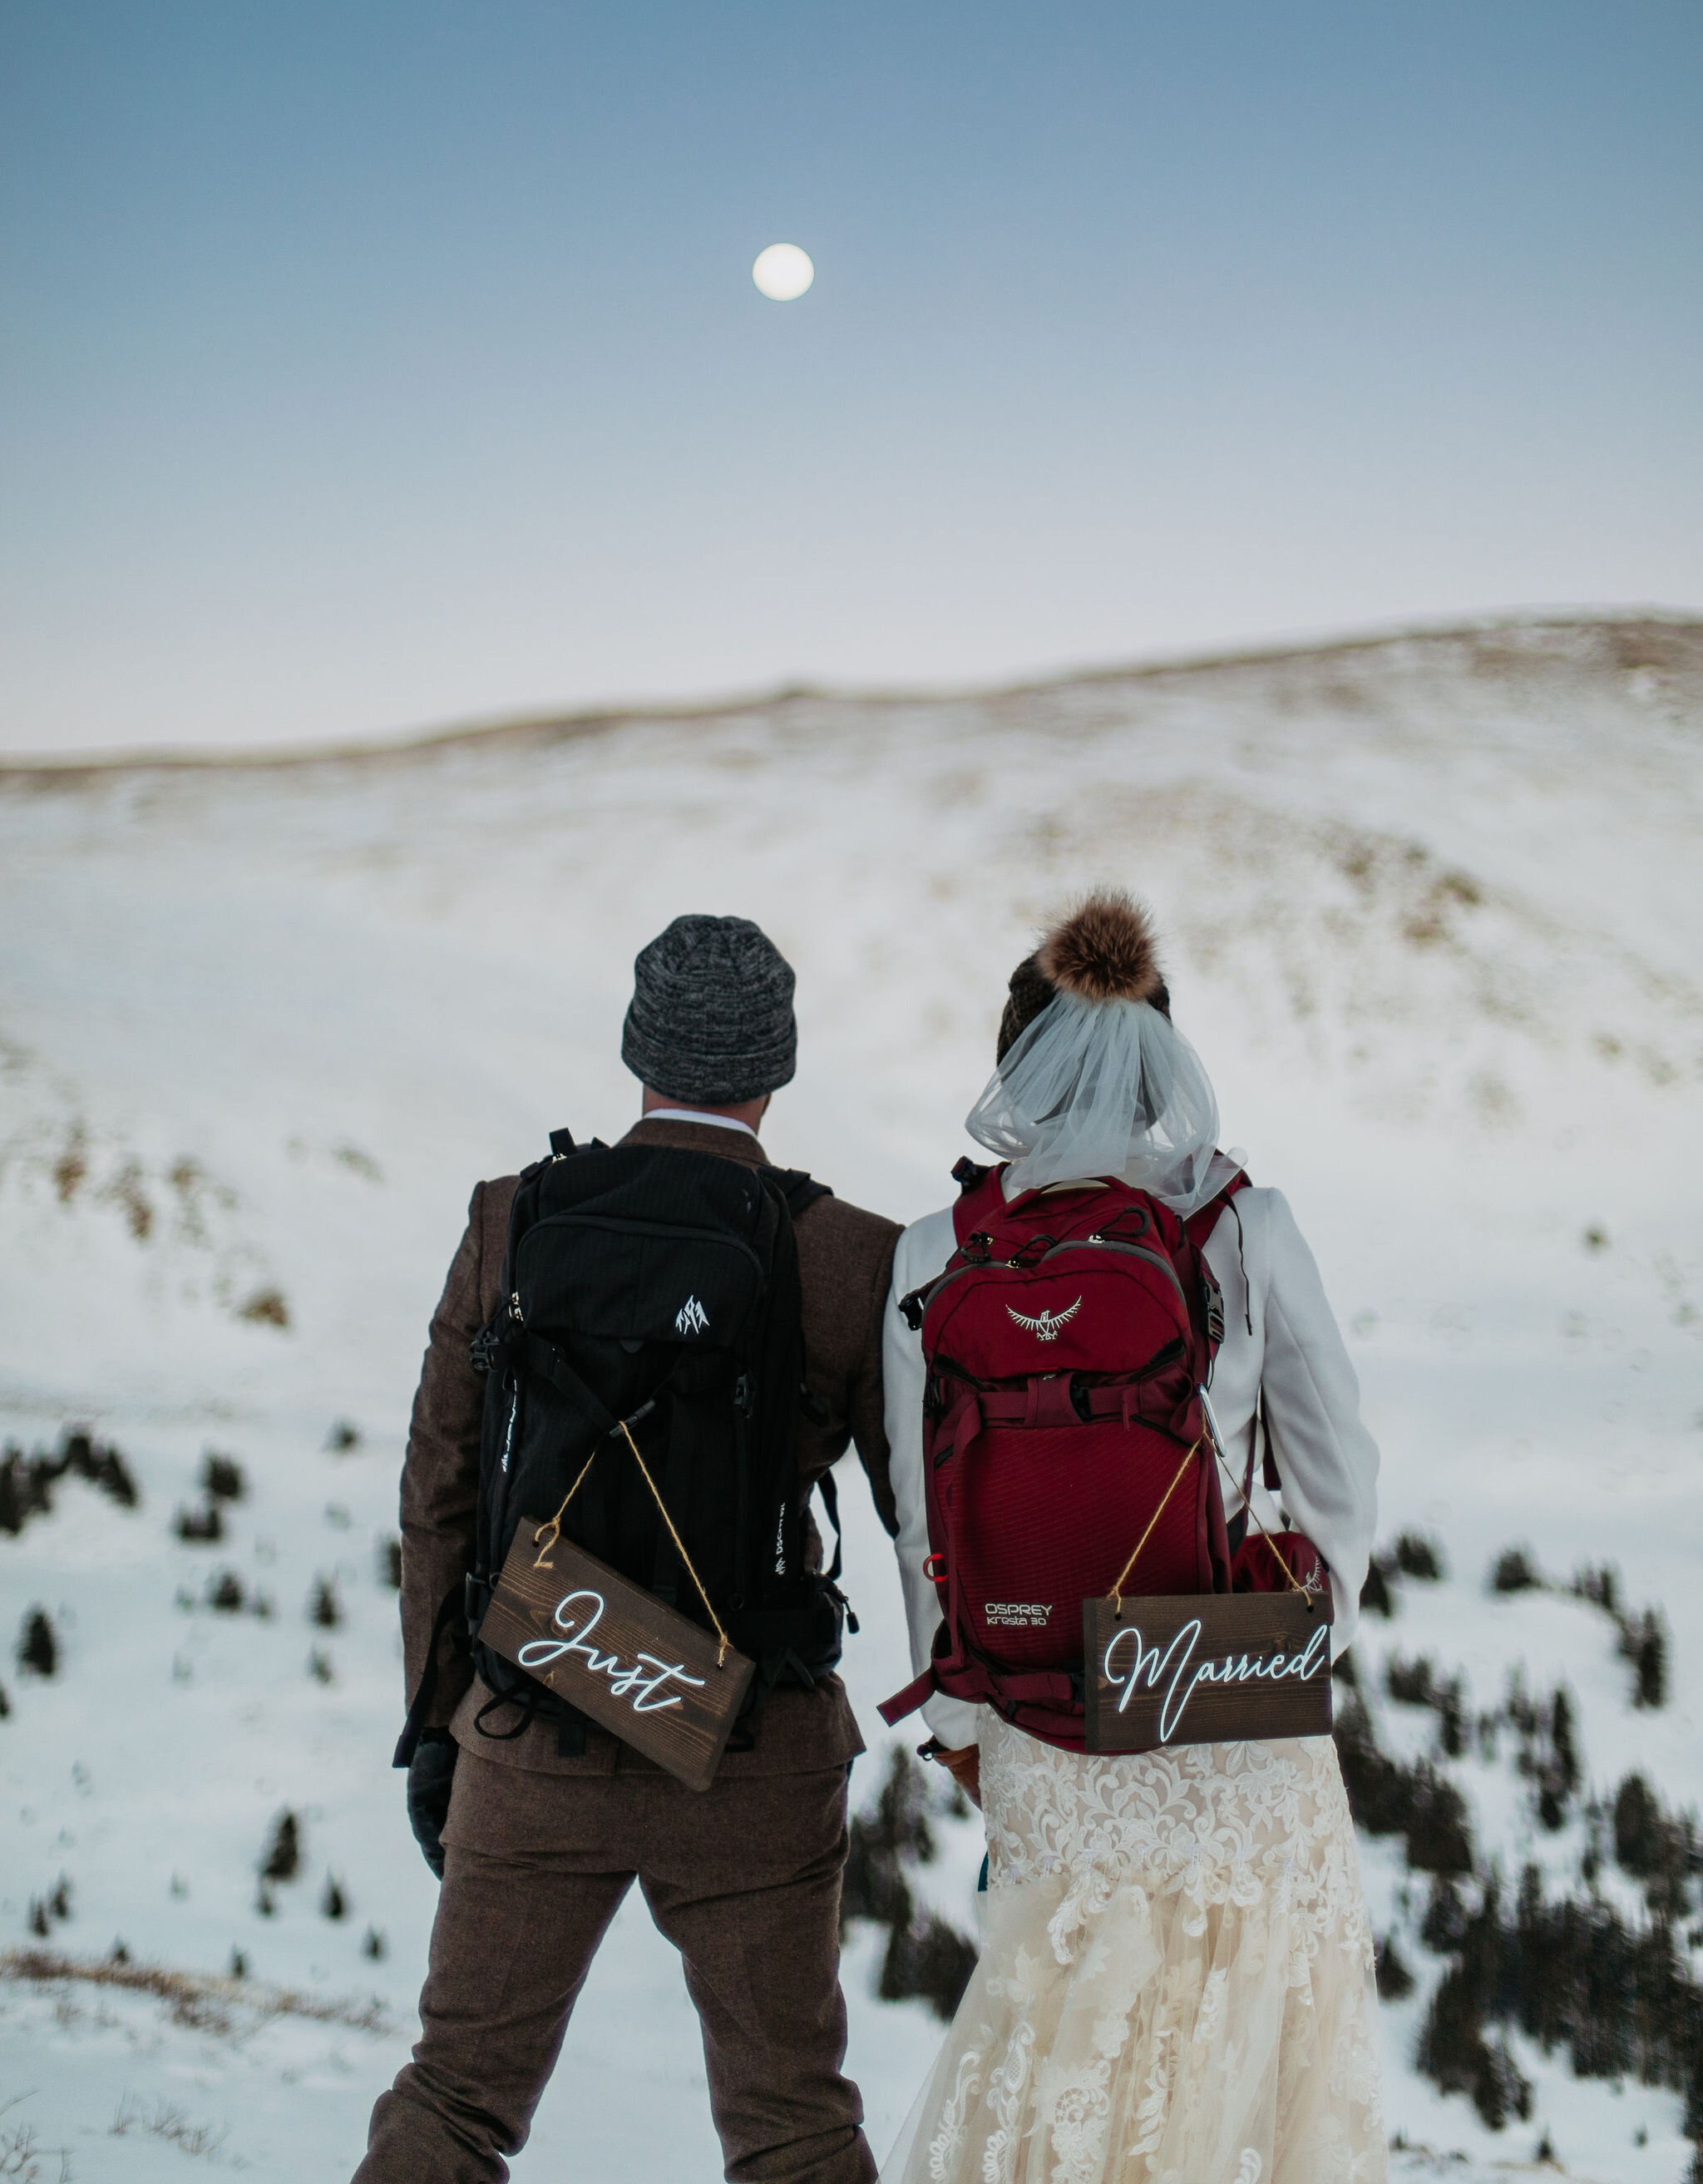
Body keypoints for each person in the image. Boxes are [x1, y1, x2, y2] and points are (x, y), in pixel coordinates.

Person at [357, 914, 902, 2184]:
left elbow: (438, 1491)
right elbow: (919, 1511)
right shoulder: (847, 1255)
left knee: (454, 2101)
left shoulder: (512, 1218)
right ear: (779, 1064)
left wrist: (439, 1726)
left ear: (633, 1047)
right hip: (754, 1755)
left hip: (532, 1728)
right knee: (795, 2127)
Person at [881, 892, 1385, 2184]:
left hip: (1042, 1719)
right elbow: (1338, 1471)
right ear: (1164, 1061)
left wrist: (956, 1723)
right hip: (1222, 1697)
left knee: (1064, 2054)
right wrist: (1293, 1639)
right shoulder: (1242, 1225)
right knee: (1242, 2069)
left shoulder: (943, 1250)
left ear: (1011, 1067)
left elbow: (923, 1504)